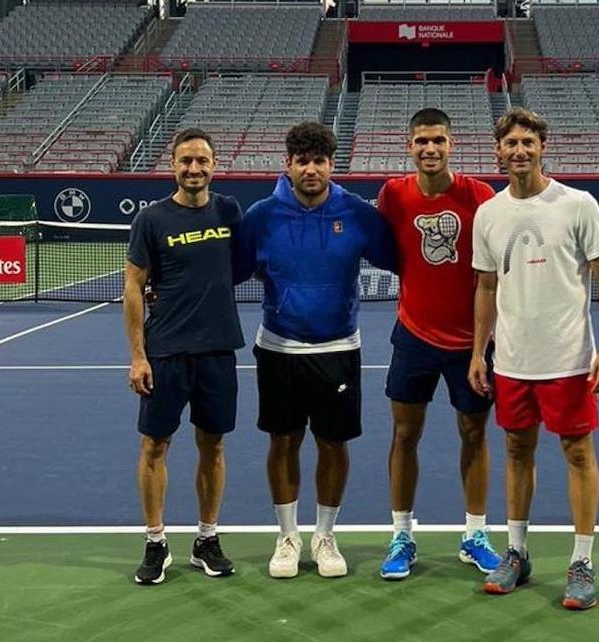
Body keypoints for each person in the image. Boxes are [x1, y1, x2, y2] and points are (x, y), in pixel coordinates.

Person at [468, 108, 599, 611]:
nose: (519, 150)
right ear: (498, 151)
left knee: (578, 454)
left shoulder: (577, 205)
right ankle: (516, 553)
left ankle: (582, 562)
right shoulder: (489, 214)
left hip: (570, 361)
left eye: (527, 142)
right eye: (510, 142)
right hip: (512, 362)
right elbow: (487, 286)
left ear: (542, 148)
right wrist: (479, 352)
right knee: (516, 452)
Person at [237, 121, 396, 579]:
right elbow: (224, 273)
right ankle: (287, 535)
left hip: (339, 347)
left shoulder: (359, 215)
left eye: (319, 160)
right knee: (282, 440)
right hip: (279, 348)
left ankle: (325, 535)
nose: (311, 169)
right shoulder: (261, 216)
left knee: (333, 442)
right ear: (287, 165)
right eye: (302, 160)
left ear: (331, 164)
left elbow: (406, 258)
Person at [375, 108, 500, 581]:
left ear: (452, 144)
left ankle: (475, 535)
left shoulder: (480, 196)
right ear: (409, 145)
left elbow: (493, 273)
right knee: (405, 436)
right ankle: (402, 535)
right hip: (413, 338)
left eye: (439, 141)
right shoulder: (393, 195)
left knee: (474, 434)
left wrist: (482, 346)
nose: (430, 148)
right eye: (422, 141)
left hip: (472, 344)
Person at [125, 127, 252, 585]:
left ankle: (206, 538)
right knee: (155, 445)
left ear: (214, 165)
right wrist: (139, 356)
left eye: (202, 161)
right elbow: (134, 287)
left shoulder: (229, 211)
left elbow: (239, 267)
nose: (194, 169)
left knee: (213, 445)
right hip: (166, 352)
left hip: (218, 349)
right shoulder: (152, 219)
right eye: (185, 161)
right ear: (173, 166)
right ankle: (156, 542)